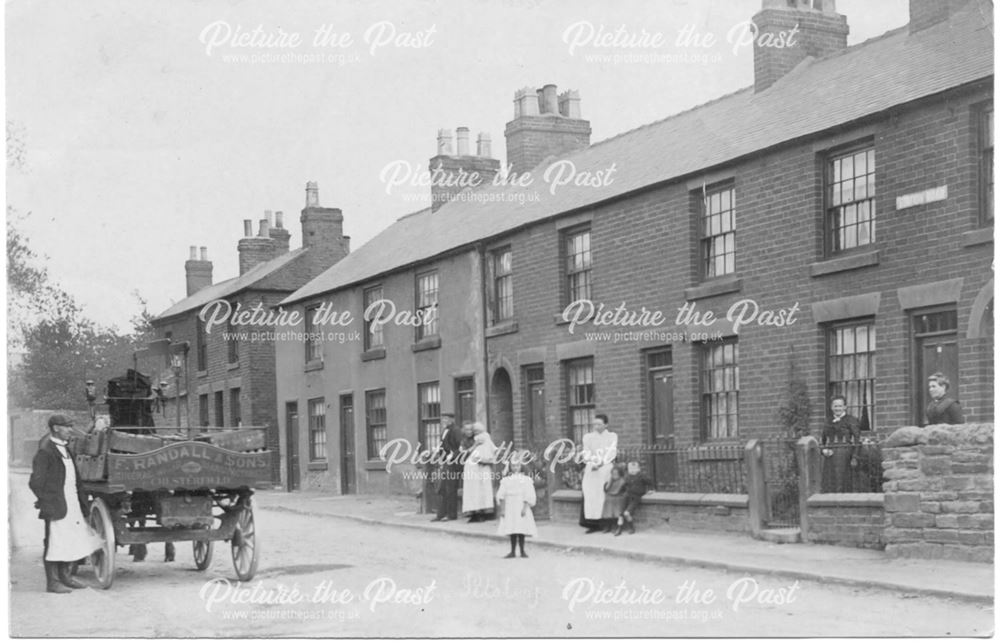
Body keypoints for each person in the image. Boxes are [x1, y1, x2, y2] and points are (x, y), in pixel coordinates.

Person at [29, 415, 103, 593]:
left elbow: (75, 480)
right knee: (55, 542)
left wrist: (82, 504)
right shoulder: (46, 452)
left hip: (71, 504)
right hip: (57, 506)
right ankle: (52, 582)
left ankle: (66, 577)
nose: (70, 430)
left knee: (69, 539)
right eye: (66, 427)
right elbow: (35, 482)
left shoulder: (66, 449)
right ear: (55, 428)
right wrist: (48, 501)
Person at [580, 413, 617, 534]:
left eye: (599, 424)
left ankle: (605, 523)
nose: (596, 426)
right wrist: (592, 462)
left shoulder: (612, 436)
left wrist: (601, 463)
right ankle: (592, 524)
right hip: (592, 467)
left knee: (602, 493)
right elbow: (586, 452)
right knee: (590, 494)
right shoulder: (588, 437)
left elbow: (611, 452)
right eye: (594, 424)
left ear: (606, 424)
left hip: (605, 466)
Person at [496, 451, 537, 558]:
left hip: (520, 504)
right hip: (510, 506)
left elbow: (529, 494)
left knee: (521, 528)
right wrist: (503, 509)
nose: (515, 468)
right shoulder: (506, 480)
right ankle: (513, 551)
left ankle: (523, 551)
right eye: (513, 466)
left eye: (517, 465)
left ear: (521, 466)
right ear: (510, 467)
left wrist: (525, 507)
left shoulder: (526, 480)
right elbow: (501, 495)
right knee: (512, 528)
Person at [821, 395, 862, 493]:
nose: (837, 408)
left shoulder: (851, 420)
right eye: (835, 406)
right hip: (830, 455)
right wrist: (823, 450)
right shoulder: (828, 421)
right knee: (830, 481)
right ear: (831, 407)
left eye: (840, 406)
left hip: (845, 454)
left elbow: (857, 440)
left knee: (843, 480)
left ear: (845, 407)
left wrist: (855, 457)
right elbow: (822, 440)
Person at [462, 422, 497, 522]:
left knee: (482, 489)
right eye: (473, 431)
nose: (472, 432)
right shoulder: (467, 441)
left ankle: (483, 512)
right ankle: (474, 512)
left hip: (481, 466)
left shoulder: (484, 437)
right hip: (472, 467)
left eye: (473, 430)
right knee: (473, 490)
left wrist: (487, 459)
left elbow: (490, 449)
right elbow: (463, 453)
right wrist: (475, 445)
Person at [431, 413, 461, 522]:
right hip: (445, 463)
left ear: (452, 419)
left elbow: (461, 447)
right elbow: (443, 446)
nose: (444, 421)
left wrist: (452, 455)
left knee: (450, 489)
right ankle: (441, 514)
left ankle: (451, 515)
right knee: (443, 489)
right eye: (443, 419)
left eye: (446, 419)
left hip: (453, 464)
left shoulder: (456, 430)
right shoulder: (445, 430)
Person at [617, 460, 653, 536]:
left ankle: (631, 527)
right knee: (620, 513)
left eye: (634, 468)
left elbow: (650, 482)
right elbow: (623, 486)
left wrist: (649, 490)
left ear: (638, 469)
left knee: (626, 513)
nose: (632, 470)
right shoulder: (627, 476)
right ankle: (619, 528)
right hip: (626, 496)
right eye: (630, 468)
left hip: (635, 497)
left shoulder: (641, 476)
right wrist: (620, 492)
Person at [601, 464, 627, 533]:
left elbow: (625, 491)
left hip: (618, 498)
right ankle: (608, 526)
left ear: (620, 474)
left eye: (616, 474)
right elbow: (606, 489)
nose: (614, 475)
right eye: (613, 474)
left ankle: (617, 526)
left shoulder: (622, 481)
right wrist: (610, 481)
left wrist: (621, 496)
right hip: (610, 498)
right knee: (608, 509)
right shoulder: (610, 480)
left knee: (617, 512)